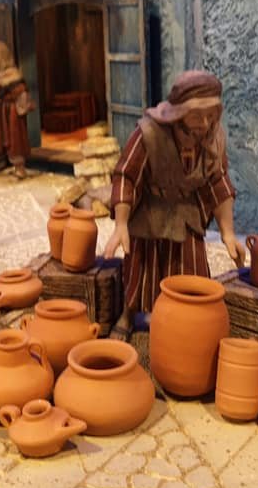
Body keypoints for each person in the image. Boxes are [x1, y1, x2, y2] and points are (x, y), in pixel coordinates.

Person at [103, 70, 245, 340]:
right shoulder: (149, 134)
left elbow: (219, 181)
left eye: (211, 114)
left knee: (194, 274)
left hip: (187, 213)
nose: (204, 123)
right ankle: (128, 314)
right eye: (196, 115)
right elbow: (126, 175)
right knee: (142, 270)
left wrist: (228, 232)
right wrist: (121, 224)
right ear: (179, 112)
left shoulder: (214, 138)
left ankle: (188, 323)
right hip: (151, 213)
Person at [0, 40, 34, 179]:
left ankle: (20, 168)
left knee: (16, 138)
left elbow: (22, 92)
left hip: (13, 112)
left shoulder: (13, 75)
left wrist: (20, 109)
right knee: (7, 137)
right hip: (5, 111)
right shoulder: (0, 76)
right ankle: (15, 166)